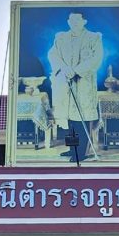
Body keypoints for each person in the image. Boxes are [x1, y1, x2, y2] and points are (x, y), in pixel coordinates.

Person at [48, 10, 103, 161]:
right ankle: (72, 149)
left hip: (83, 84)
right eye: (71, 21)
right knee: (68, 118)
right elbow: (53, 55)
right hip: (65, 83)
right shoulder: (61, 38)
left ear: (84, 21)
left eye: (78, 20)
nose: (74, 23)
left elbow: (96, 59)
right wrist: (64, 69)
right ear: (68, 22)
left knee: (81, 118)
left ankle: (81, 152)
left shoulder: (94, 38)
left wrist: (76, 70)